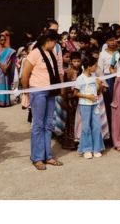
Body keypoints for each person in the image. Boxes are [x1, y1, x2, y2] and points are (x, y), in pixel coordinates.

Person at [21, 29, 64, 171]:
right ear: (48, 41)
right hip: (38, 92)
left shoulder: (51, 53)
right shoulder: (34, 53)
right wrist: (26, 91)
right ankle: (37, 158)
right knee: (38, 125)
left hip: (50, 92)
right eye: (55, 41)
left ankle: (48, 156)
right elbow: (25, 74)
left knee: (48, 125)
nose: (56, 44)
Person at [74, 56, 105, 159]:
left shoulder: (94, 76)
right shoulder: (80, 78)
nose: (96, 68)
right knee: (86, 126)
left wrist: (99, 85)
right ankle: (87, 149)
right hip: (85, 105)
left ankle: (97, 148)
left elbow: (98, 92)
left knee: (96, 126)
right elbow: (76, 93)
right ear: (88, 67)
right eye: (95, 66)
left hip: (95, 105)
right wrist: (88, 97)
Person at [97, 31, 117, 141]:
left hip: (119, 79)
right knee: (109, 107)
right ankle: (108, 134)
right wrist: (103, 84)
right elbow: (99, 69)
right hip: (108, 80)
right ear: (106, 42)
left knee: (118, 106)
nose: (113, 42)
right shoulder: (102, 54)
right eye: (110, 40)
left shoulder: (119, 52)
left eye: (114, 40)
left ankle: (117, 134)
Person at [60, 52, 82, 150]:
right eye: (74, 61)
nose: (76, 63)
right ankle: (70, 143)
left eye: (78, 61)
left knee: (80, 120)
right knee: (71, 120)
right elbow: (64, 87)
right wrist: (64, 99)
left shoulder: (83, 71)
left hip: (81, 97)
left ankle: (80, 141)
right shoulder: (67, 72)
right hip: (70, 98)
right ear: (71, 61)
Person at [0, 33, 17, 107]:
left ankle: (5, 102)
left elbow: (11, 59)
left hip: (6, 69)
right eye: (1, 40)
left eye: (4, 40)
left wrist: (6, 67)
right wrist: (2, 67)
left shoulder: (8, 50)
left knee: (5, 84)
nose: (3, 41)